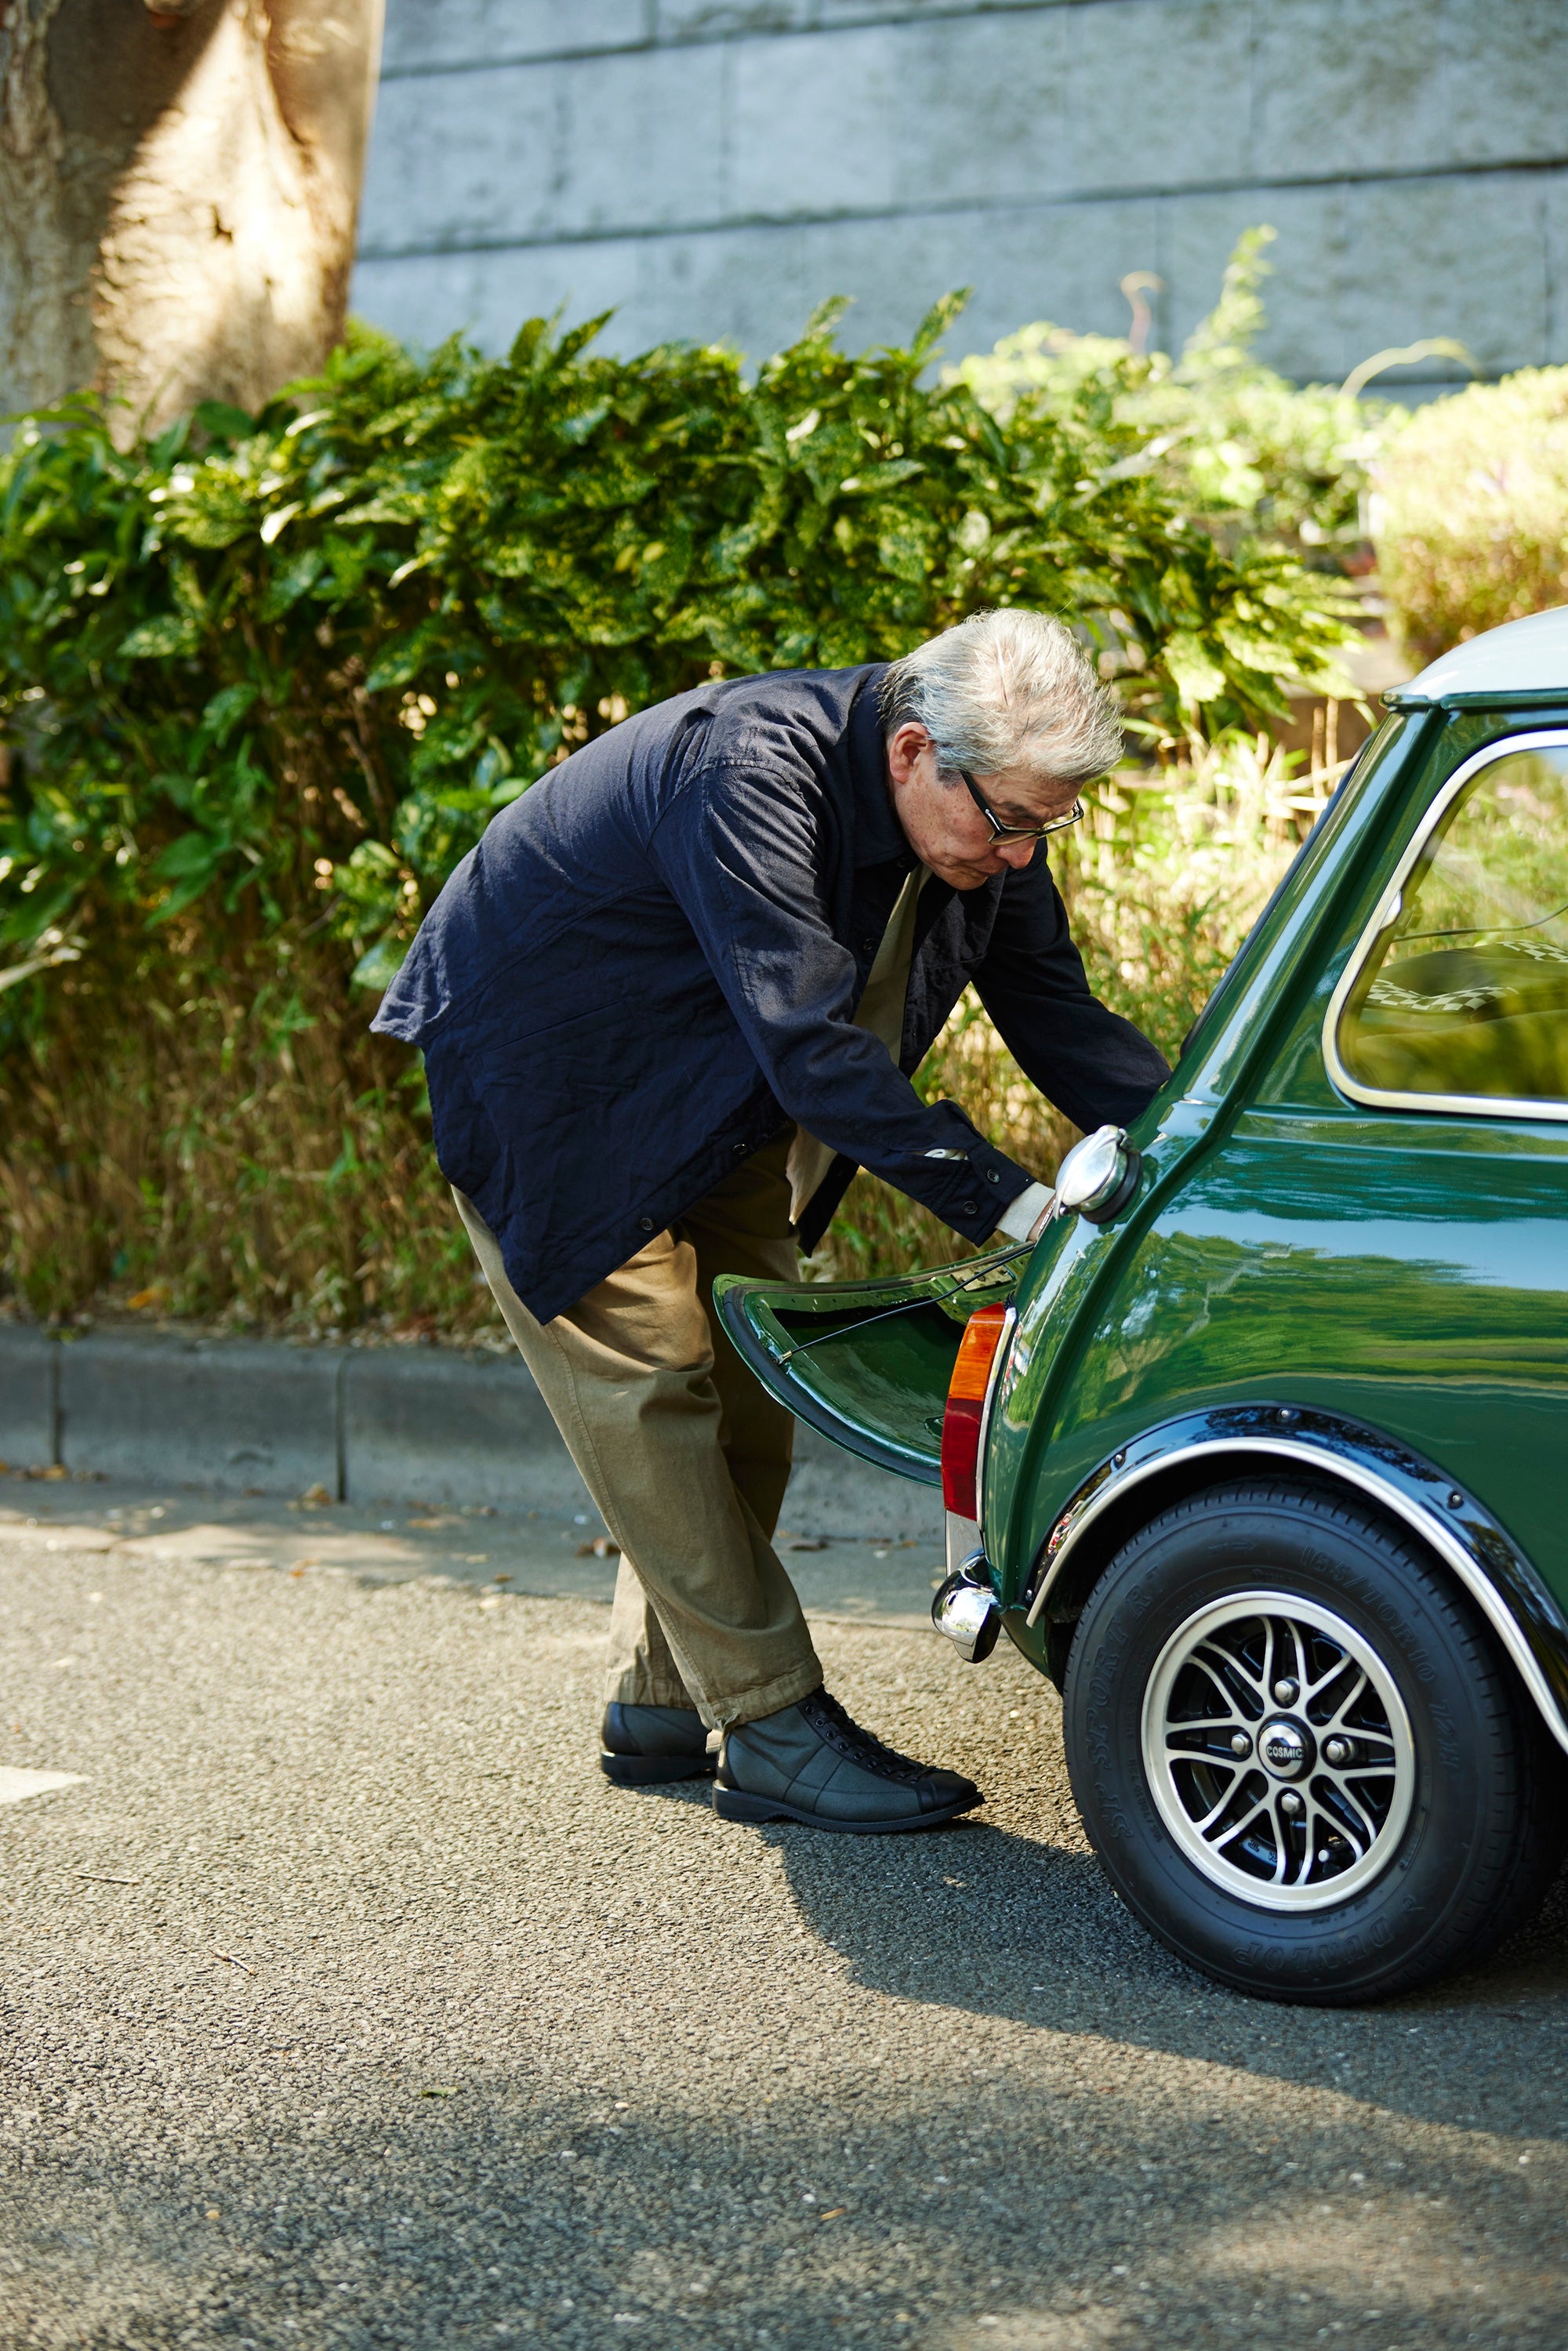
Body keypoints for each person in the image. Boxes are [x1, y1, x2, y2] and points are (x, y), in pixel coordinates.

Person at [372, 608, 1169, 1833]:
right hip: (552, 1083)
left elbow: (1062, 1021)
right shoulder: (748, 771)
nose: (1021, 854)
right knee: (654, 1377)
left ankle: (659, 1697)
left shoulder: (986, 824)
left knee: (750, 1369)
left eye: (1048, 825)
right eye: (1009, 821)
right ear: (913, 754)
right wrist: (1016, 1207)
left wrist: (1199, 1158)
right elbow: (812, 1045)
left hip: (707, 1084)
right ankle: (769, 1721)